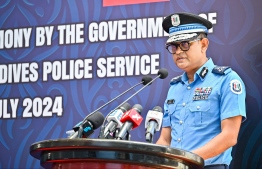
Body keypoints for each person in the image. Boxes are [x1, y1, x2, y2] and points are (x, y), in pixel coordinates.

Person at [156, 12, 246, 169]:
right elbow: (165, 139)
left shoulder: (226, 80)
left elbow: (229, 137)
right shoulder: (174, 88)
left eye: (185, 44)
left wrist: (187, 160)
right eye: (174, 46)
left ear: (204, 44)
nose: (178, 52)